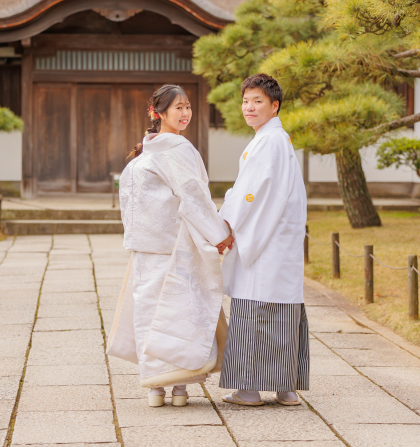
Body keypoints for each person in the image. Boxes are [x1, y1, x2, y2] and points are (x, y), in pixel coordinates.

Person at [107, 84, 235, 408]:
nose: (185, 113)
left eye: (188, 106)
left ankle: (158, 389)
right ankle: (178, 388)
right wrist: (219, 234)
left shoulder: (142, 156)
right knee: (178, 316)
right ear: (159, 113)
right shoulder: (176, 149)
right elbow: (194, 197)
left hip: (147, 250)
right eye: (178, 107)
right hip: (173, 248)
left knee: (151, 314)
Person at [218, 73, 309, 406]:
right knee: (284, 308)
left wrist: (226, 225)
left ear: (275, 105)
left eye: (257, 101)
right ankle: (286, 388)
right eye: (245, 101)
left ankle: (248, 388)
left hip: (266, 239)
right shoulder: (277, 139)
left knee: (254, 308)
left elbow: (248, 194)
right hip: (280, 240)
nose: (249, 107)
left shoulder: (268, 141)